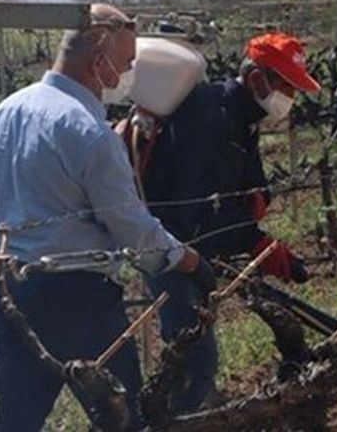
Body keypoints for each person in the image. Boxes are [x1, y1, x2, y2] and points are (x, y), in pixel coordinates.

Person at [0, 3, 215, 432]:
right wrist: (187, 261)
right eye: (125, 63)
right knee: (123, 421)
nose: (127, 75)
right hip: (76, 299)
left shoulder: (6, 111)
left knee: (16, 422)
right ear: (98, 60)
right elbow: (129, 227)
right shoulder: (88, 129)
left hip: (7, 288)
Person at [120, 31, 321, 413]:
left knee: (198, 349)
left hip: (196, 245)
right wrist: (257, 242)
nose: (290, 100)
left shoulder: (242, 116)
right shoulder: (211, 119)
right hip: (169, 247)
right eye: (287, 88)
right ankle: (178, 418)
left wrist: (258, 195)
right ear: (257, 79)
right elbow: (198, 211)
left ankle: (191, 410)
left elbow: (245, 179)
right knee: (196, 358)